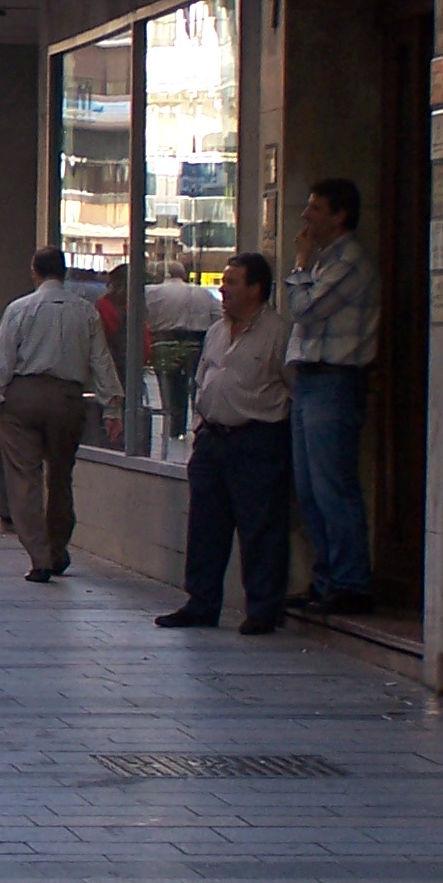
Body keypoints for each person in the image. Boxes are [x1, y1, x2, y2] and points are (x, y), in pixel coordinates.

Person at [156, 254, 294, 634]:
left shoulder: (278, 332)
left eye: (232, 282)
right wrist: (200, 428)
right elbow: (203, 379)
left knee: (259, 528)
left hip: (256, 439)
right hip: (212, 440)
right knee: (205, 527)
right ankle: (200, 602)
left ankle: (263, 609)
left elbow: (293, 386)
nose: (223, 288)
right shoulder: (217, 330)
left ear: (255, 289)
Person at [0, 247, 124, 583]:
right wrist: (112, 406)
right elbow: (100, 360)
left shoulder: (19, 309)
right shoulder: (85, 312)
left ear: (35, 271)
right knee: (61, 475)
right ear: (65, 273)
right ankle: (58, 546)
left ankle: (39, 555)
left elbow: (3, 357)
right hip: (67, 399)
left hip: (24, 397)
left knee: (24, 478)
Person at [284, 177, 381, 615]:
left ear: (339, 215)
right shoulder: (326, 261)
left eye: (315, 208)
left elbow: (304, 310)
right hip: (309, 381)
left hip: (335, 380)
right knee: (308, 489)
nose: (306, 217)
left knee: (332, 485)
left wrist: (300, 266)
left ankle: (351, 582)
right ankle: (324, 579)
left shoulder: (350, 263)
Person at [145, 263, 222, 442]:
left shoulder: (151, 292)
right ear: (183, 275)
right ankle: (198, 425)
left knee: (171, 386)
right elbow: (219, 315)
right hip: (197, 341)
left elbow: (142, 314)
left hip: (163, 340)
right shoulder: (203, 293)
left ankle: (174, 427)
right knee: (198, 385)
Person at [94, 263, 153, 385]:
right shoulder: (135, 306)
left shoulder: (103, 305)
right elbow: (144, 341)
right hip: (129, 364)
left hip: (110, 364)